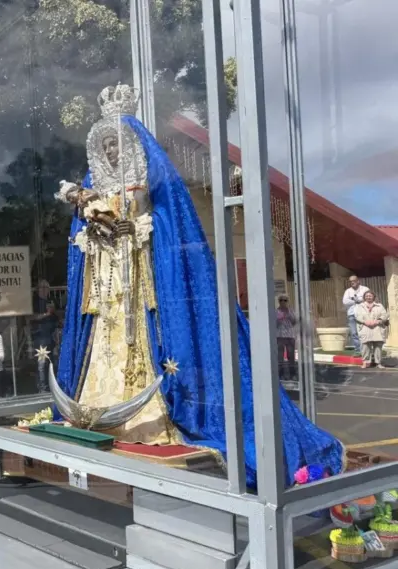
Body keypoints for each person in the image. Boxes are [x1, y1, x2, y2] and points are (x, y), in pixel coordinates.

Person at [53, 83, 343, 488]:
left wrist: (129, 227)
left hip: (141, 283)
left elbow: (161, 230)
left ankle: (149, 412)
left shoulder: (150, 188)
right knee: (107, 343)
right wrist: (94, 223)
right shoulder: (95, 189)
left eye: (119, 146)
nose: (114, 154)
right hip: (109, 288)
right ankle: (101, 405)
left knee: (144, 345)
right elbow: (89, 235)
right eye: (108, 149)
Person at [31, 280, 59, 392]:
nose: (44, 290)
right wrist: (46, 314)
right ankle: (42, 388)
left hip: (52, 334)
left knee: (52, 361)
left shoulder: (52, 300)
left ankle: (52, 385)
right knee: (41, 362)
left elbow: (57, 316)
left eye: (46, 287)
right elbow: (30, 317)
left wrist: (55, 313)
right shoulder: (34, 302)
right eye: (41, 287)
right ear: (37, 289)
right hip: (40, 336)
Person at [354, 290, 389, 369]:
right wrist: (365, 322)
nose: (368, 297)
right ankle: (365, 362)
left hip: (377, 328)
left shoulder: (379, 306)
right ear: (364, 297)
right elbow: (357, 316)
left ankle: (378, 363)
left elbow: (384, 315)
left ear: (373, 297)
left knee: (378, 346)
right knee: (365, 346)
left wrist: (378, 321)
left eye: (370, 296)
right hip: (365, 327)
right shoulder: (360, 306)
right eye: (367, 296)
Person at [343, 276, 370, 351]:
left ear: (358, 281)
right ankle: (358, 350)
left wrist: (353, 300)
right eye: (350, 281)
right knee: (354, 333)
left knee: (364, 332)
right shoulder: (348, 291)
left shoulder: (365, 289)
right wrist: (356, 301)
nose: (352, 282)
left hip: (363, 314)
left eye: (354, 280)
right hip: (352, 314)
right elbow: (345, 301)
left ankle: (367, 349)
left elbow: (368, 299)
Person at [276, 295, 298, 381]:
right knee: (280, 357)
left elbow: (294, 322)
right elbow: (274, 324)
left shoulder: (290, 311)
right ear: (279, 301)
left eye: (285, 300)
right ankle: (280, 374)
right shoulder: (275, 311)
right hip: (280, 336)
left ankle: (292, 374)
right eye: (281, 300)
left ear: (287, 301)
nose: (283, 302)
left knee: (291, 356)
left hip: (290, 336)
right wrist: (279, 319)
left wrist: (289, 316)